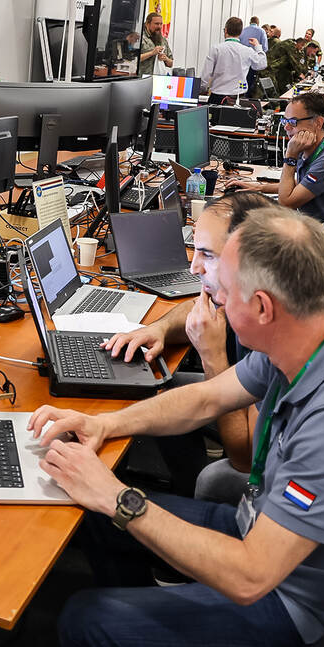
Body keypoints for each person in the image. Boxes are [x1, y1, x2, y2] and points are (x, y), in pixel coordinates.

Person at [36, 209, 324, 647]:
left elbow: (251, 577)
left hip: (311, 613)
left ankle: (131, 628)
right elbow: (206, 399)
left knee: (85, 619)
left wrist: (117, 496)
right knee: (96, 519)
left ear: (263, 307)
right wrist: (104, 423)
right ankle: (147, 630)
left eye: (224, 290)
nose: (215, 299)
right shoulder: (311, 333)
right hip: (279, 544)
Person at [105, 192, 277, 503]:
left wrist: (212, 355)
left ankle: (192, 502)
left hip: (267, 483)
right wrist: (158, 329)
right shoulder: (254, 290)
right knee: (164, 384)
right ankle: (183, 486)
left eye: (207, 255)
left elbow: (244, 457)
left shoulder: (274, 335)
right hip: (246, 404)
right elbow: (199, 307)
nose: (194, 267)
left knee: (213, 480)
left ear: (248, 260)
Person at [226, 92, 324, 221]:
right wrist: (259, 187)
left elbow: (286, 203)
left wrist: (290, 156)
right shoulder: (308, 147)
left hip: (320, 230)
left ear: (318, 123)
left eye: (293, 122)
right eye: (285, 121)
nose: (286, 127)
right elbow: (303, 183)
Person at [202, 17, 268, 105]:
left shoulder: (216, 49)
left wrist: (201, 90)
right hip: (238, 99)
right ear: (240, 33)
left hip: (217, 98)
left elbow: (206, 75)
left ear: (226, 30)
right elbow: (262, 64)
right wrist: (258, 46)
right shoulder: (248, 51)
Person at [137, 13, 175, 78]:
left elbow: (171, 64)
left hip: (158, 79)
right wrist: (151, 53)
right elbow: (133, 60)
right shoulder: (138, 38)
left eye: (161, 24)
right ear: (147, 24)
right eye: (156, 24)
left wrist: (165, 58)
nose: (159, 26)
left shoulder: (163, 40)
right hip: (141, 79)